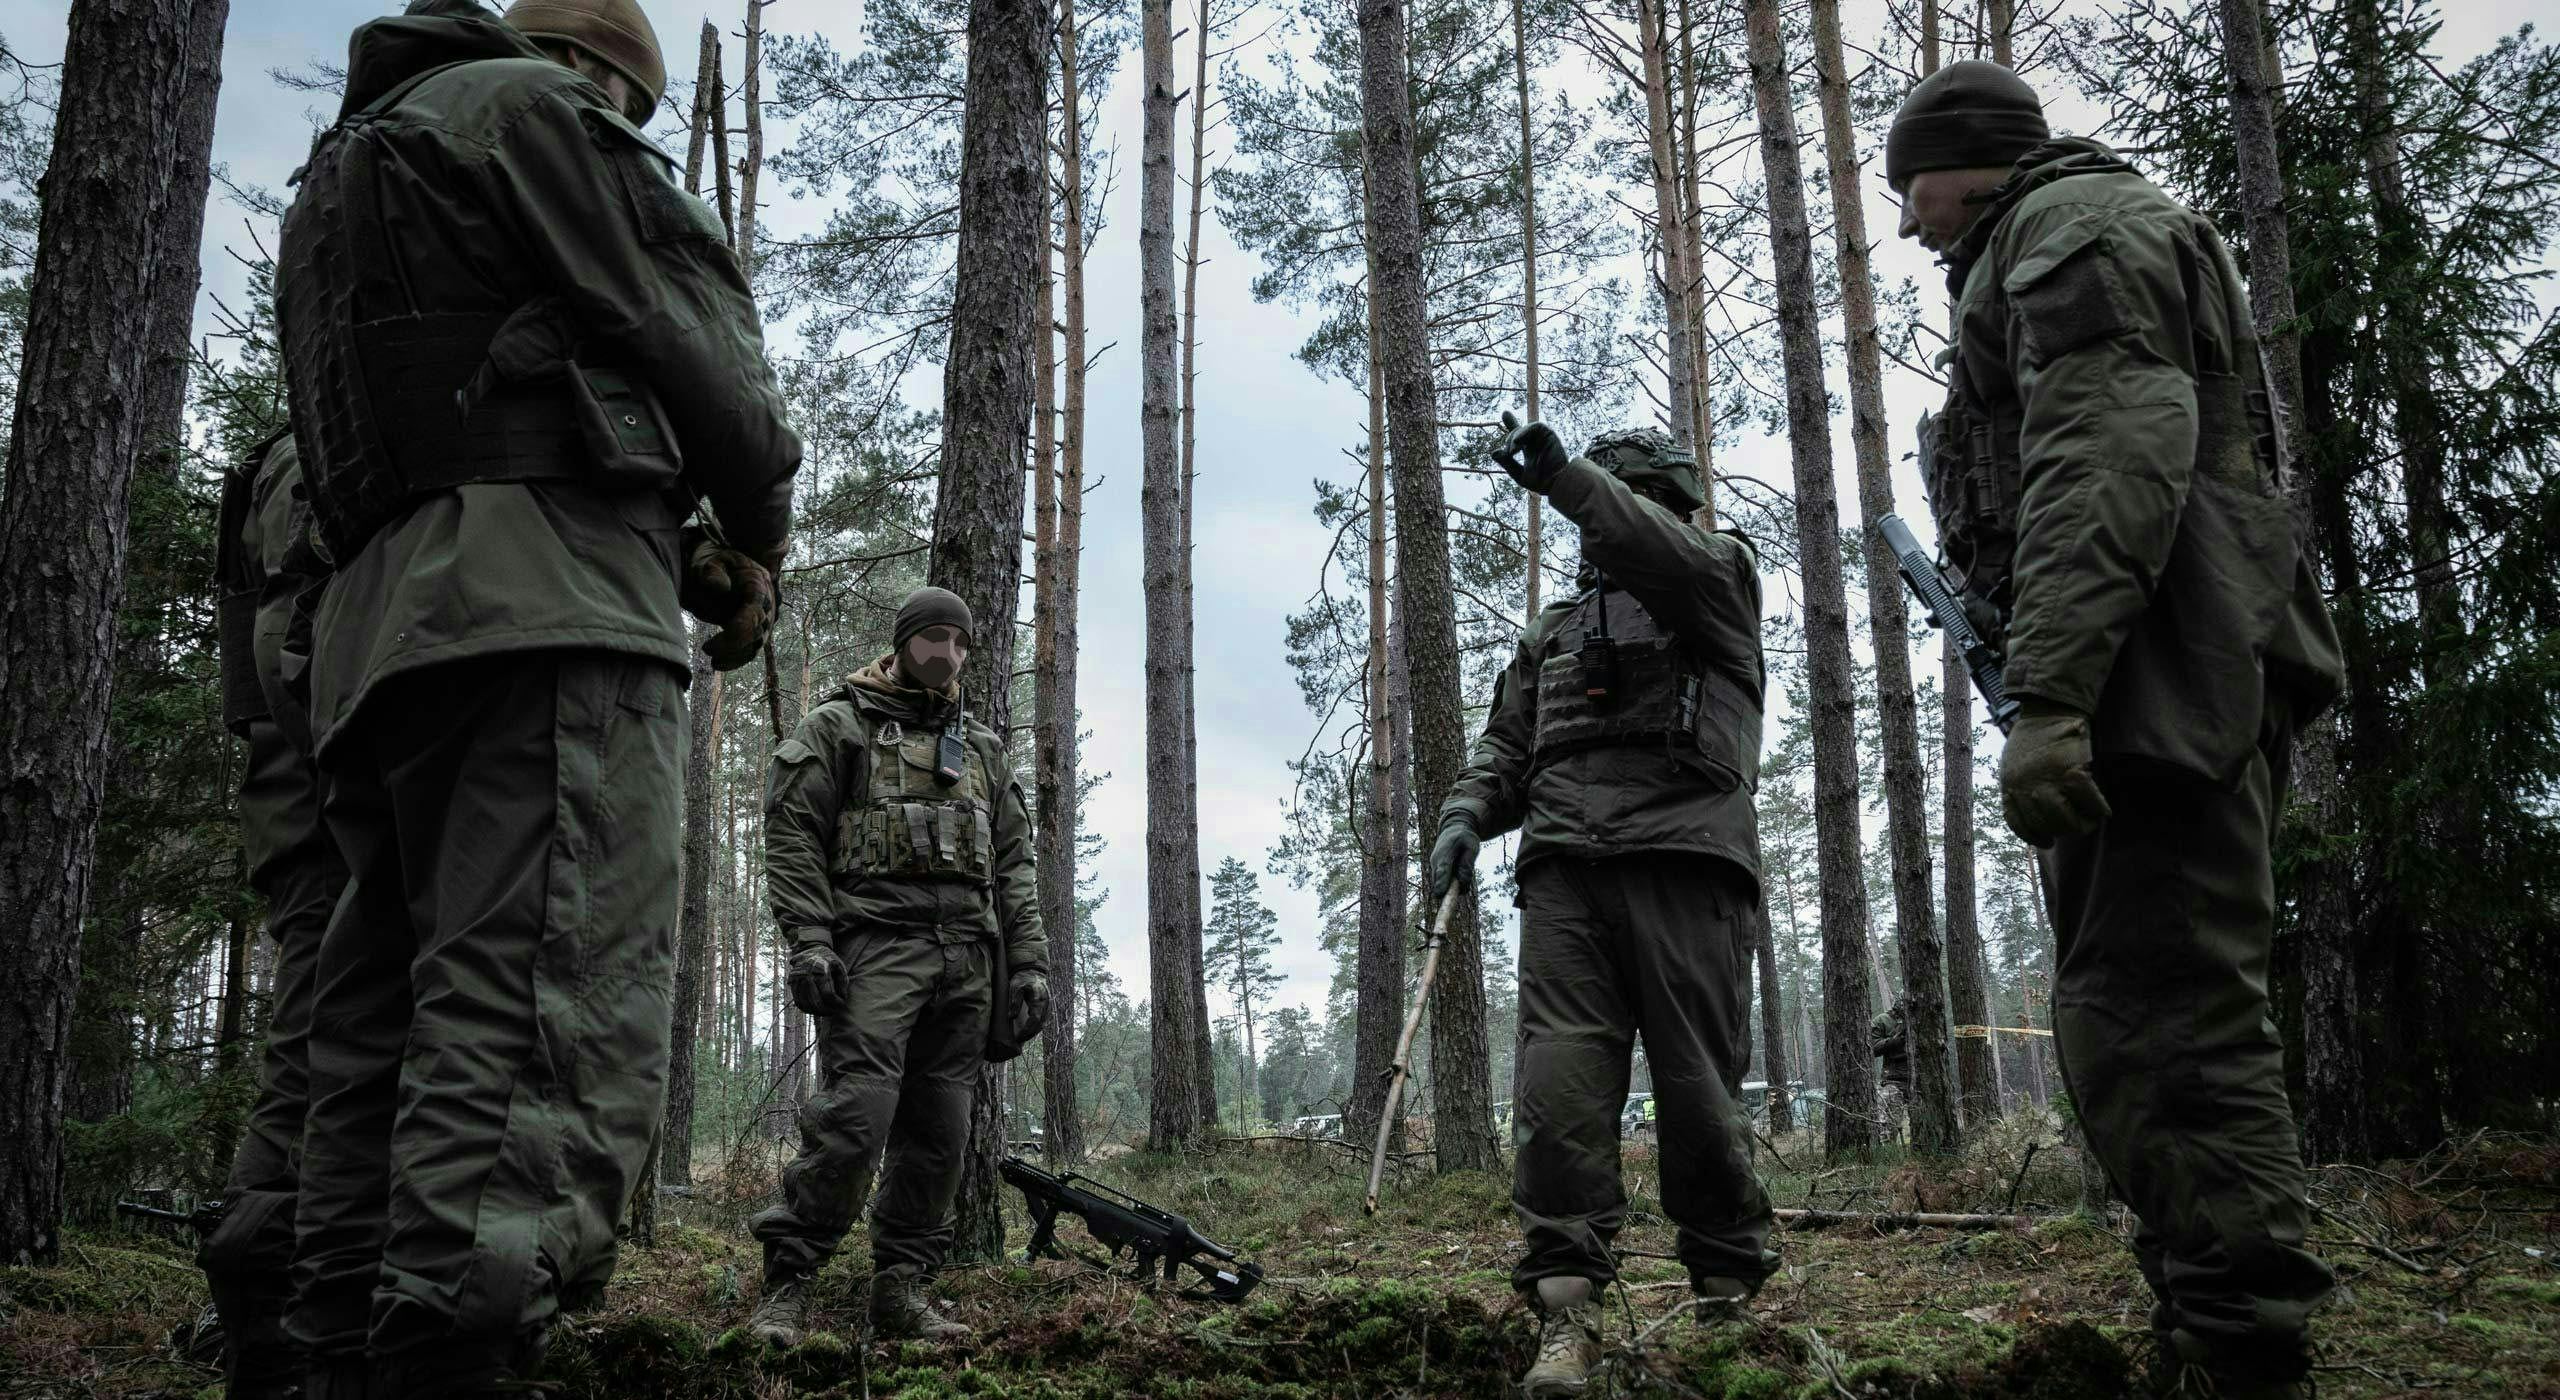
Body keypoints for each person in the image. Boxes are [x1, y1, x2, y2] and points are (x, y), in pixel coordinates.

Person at [272, 0, 801, 1394]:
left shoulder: (347, 167)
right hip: (541, 634)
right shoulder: (530, 113)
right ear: (599, 78)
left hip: (383, 644)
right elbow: (710, 357)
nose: (626, 135)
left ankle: (330, 1360)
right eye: (628, 112)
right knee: (533, 1032)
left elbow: (470, 413)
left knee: (381, 1053)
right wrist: (753, 534)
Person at [1888, 60, 2345, 1399]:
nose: (1910, 222)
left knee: (2162, 1024)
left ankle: (2242, 1354)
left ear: (1968, 158)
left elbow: (2109, 462)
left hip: (2153, 687)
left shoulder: (2073, 233)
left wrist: (2049, 698)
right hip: (2151, 679)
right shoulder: (2067, 234)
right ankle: (2212, 1327)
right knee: (2136, 1013)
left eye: (1911, 185)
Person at [1433, 418, 1773, 1400]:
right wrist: (1463, 816)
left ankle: (1722, 1299)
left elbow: (1652, 547)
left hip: (1686, 864)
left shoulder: (1718, 582)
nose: (1596, 529)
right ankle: (1567, 1313)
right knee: (1558, 1099)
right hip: (1566, 875)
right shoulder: (1552, 631)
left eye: (1614, 504)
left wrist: (1570, 480)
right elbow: (1507, 744)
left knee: (1701, 1101)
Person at [748, 587, 1048, 1346]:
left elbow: (1014, 863)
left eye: (959, 641)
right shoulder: (838, 728)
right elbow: (792, 838)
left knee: (941, 1136)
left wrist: (1029, 967)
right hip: (876, 951)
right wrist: (811, 941)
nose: (945, 654)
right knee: (856, 1122)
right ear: (902, 641)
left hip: (967, 962)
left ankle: (900, 1289)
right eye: (931, 639)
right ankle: (787, 1285)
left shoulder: (980, 748)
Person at [200, 430, 344, 1400]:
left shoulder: (271, 461)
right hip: (334, 809)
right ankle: (286, 1320)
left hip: (295, 809)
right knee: (340, 1055)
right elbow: (296, 654)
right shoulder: (333, 449)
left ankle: (265, 1301)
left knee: (310, 1050)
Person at [1871, 999, 1913, 1142]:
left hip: (1921, 1078)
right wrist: (1893, 1041)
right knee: (1888, 1127)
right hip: (1893, 1080)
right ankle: (1889, 1158)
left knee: (1928, 1123)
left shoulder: (1923, 1017)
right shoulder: (1883, 1020)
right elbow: (1872, 1047)